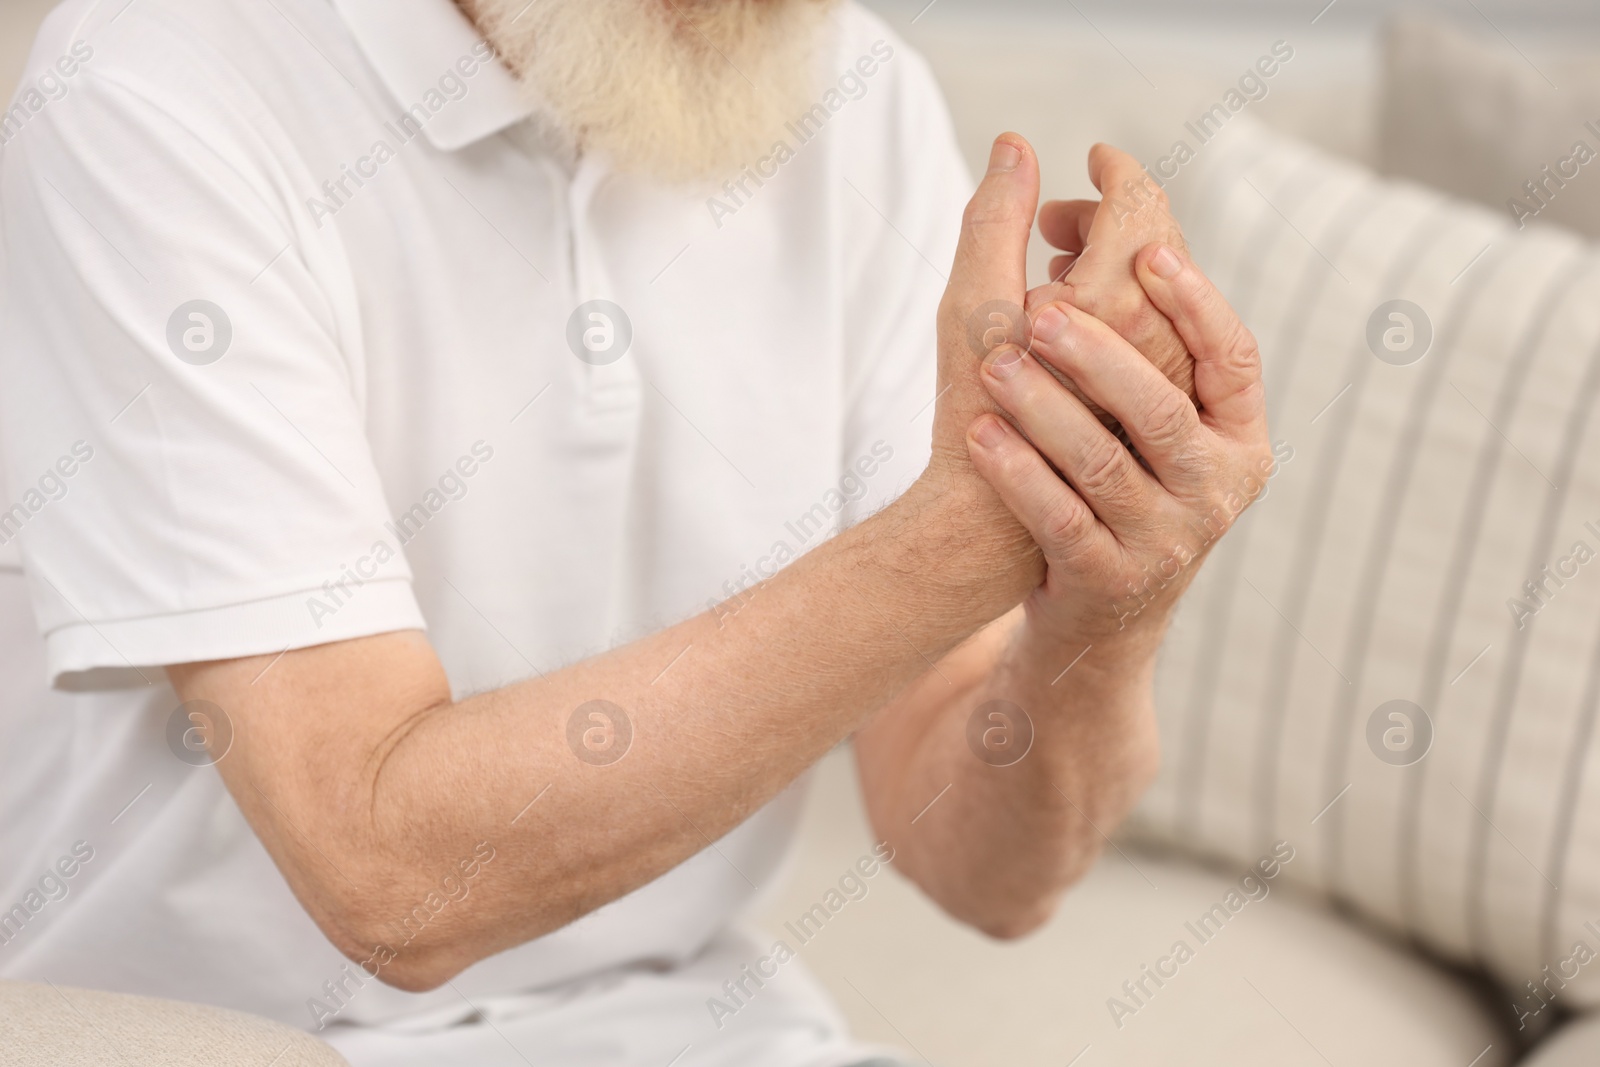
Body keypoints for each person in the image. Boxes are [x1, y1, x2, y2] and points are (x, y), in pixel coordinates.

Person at [0, 0, 1270, 1063]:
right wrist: (976, 527)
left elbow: (988, 872)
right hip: (212, 1034)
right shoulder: (153, 83)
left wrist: (1102, 582)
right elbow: (384, 872)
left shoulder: (851, 89)